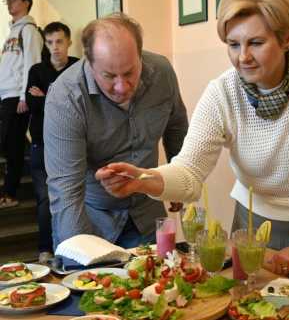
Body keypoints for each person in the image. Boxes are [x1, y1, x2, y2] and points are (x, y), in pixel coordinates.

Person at [96, 0, 289, 279]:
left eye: (256, 43)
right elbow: (189, 171)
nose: (242, 57)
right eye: (233, 44)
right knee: (255, 316)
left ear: (286, 38)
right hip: (255, 228)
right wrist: (143, 179)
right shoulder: (222, 92)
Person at [44, 13, 188, 252]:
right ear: (89, 63)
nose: (122, 87)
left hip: (146, 212)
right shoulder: (65, 97)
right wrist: (81, 260)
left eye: (130, 73)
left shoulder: (162, 73)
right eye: (109, 76)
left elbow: (177, 127)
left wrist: (178, 180)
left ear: (140, 56)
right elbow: (66, 191)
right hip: (92, 220)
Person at [26, 22, 79, 263]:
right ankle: (46, 249)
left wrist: (46, 97)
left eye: (59, 41)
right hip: (41, 144)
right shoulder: (37, 71)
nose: (54, 48)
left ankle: (73, 247)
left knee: (77, 196)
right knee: (45, 198)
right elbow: (33, 105)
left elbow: (84, 106)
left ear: (68, 42)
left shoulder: (79, 67)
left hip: (75, 145)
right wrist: (55, 100)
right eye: (49, 43)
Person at [0, 0, 43, 208]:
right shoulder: (11, 33)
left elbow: (32, 65)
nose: (9, 3)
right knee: (9, 143)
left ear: (26, 2)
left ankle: (10, 193)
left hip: (17, 97)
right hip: (5, 95)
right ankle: (7, 192)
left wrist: (24, 97)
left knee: (13, 144)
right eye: (6, 0)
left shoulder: (29, 31)